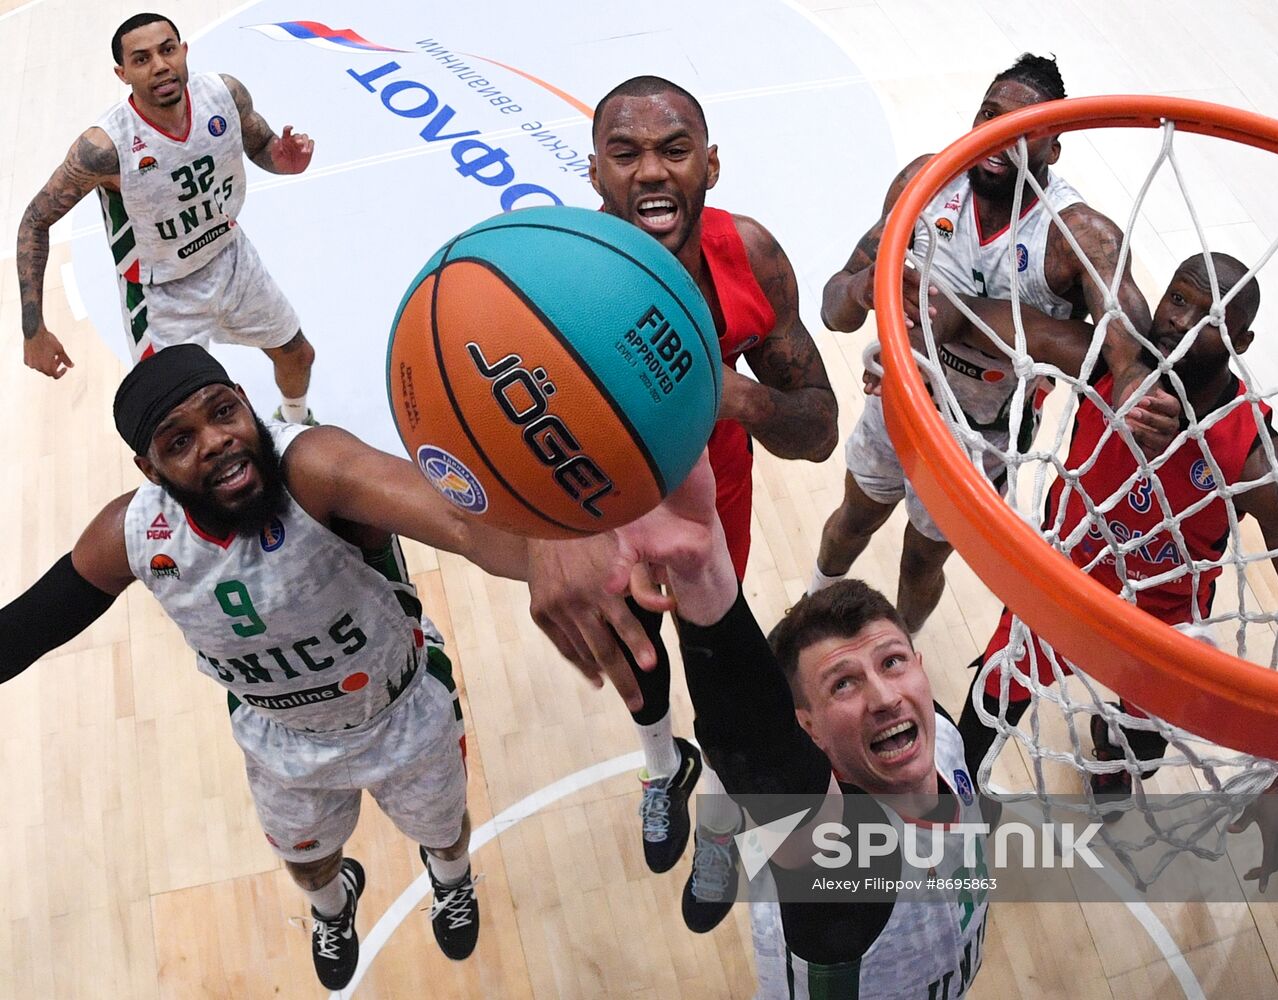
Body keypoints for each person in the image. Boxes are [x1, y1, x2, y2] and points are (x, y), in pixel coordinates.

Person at [0, 345, 544, 989]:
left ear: (243, 399)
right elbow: (23, 631)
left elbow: (463, 523)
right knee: (307, 863)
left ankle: (451, 880)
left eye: (222, 412)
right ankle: (333, 907)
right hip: (281, 738)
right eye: (180, 442)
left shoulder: (312, 467)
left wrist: (559, 554)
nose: (216, 441)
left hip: (401, 713)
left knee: (445, 830)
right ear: (150, 469)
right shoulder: (135, 534)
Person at [530, 75, 839, 930]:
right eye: (625, 153)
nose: (651, 172)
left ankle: (722, 821)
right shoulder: (550, 274)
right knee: (632, 650)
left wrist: (741, 398)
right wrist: (541, 531)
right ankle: (662, 766)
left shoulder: (752, 258)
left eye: (673, 150)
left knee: (721, 673)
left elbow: (820, 429)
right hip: (602, 502)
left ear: (711, 164)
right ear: (594, 172)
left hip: (710, 503)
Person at [931, 253, 1278, 887]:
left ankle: (1112, 749)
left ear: (1240, 343)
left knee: (1140, 754)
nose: (1181, 320)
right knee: (986, 711)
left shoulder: (1251, 454)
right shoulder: (1105, 361)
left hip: (1161, 626)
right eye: (1178, 299)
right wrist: (919, 314)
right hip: (1065, 585)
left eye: (1210, 317)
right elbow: (975, 319)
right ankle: (960, 816)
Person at [599, 454, 989, 998]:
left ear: (921, 667)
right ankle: (720, 829)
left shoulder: (943, 737)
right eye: (843, 684)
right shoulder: (847, 861)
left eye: (893, 661)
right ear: (808, 728)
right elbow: (755, 741)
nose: (885, 697)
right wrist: (698, 566)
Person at [810, 53, 1169, 634]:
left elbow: (1121, 354)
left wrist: (1134, 387)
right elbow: (834, 309)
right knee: (854, 518)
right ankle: (812, 604)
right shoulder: (926, 183)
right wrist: (862, 289)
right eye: (989, 114)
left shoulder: (1078, 235)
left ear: (1054, 149)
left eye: (1024, 129)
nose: (999, 135)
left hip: (983, 435)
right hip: (900, 397)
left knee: (922, 557)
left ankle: (901, 646)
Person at [17, 12, 318, 425]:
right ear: (122, 74)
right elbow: (35, 220)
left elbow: (262, 144)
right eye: (142, 59)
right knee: (179, 416)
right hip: (161, 296)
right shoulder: (104, 148)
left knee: (298, 354)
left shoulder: (225, 95)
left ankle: (296, 423)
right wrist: (33, 328)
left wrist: (283, 160)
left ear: (184, 51)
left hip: (231, 259)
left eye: (167, 50)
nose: (160, 65)